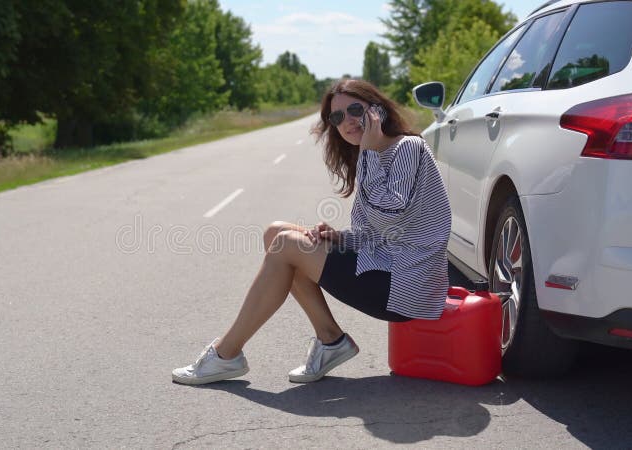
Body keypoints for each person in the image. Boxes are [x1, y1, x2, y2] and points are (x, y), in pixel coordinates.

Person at [172, 78, 451, 385]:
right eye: (337, 117)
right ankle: (330, 340)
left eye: (355, 110)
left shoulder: (407, 148)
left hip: (408, 286)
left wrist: (369, 152)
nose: (347, 122)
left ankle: (226, 354)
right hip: (388, 267)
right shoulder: (371, 153)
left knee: (286, 246)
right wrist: (342, 237)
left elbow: (392, 216)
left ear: (376, 110)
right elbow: (381, 231)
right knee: (275, 233)